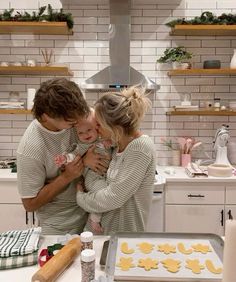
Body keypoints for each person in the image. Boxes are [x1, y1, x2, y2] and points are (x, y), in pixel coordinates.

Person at [17, 78, 108, 235]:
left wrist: (85, 161)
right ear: (46, 117)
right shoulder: (31, 147)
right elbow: (30, 204)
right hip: (59, 227)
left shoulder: (75, 116)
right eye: (71, 122)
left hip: (94, 217)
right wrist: (67, 176)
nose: (79, 121)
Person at [76, 86, 156, 234]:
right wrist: (85, 160)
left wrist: (81, 198)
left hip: (124, 236)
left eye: (99, 125)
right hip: (103, 233)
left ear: (115, 127)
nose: (96, 129)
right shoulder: (116, 145)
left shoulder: (140, 148)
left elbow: (113, 198)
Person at [54, 109, 113, 234]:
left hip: (104, 176)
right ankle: (95, 219)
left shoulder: (103, 140)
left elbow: (117, 143)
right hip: (93, 178)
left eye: (89, 130)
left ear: (97, 128)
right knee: (103, 194)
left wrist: (110, 140)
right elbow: (73, 155)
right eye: (81, 133)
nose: (85, 135)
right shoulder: (83, 146)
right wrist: (64, 158)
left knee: (106, 192)